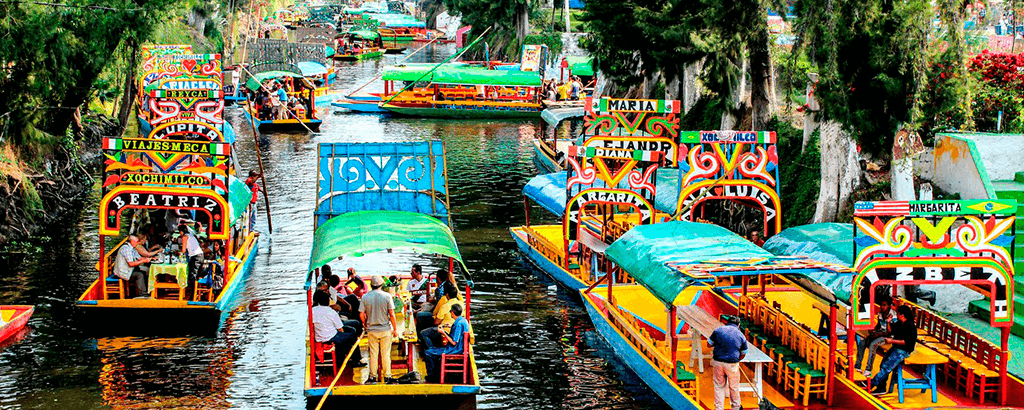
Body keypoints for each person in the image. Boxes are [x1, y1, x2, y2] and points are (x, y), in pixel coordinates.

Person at [870, 305, 917, 394]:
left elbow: (906, 342)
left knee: (887, 367)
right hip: (896, 347)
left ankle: (872, 383)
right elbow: (891, 331)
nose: (897, 315)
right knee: (883, 364)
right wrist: (888, 322)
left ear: (902, 315)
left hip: (904, 350)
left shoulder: (910, 326)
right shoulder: (900, 323)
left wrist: (892, 341)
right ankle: (881, 387)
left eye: (898, 314)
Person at [312, 290, 365, 369]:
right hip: (330, 337)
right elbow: (340, 329)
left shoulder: (312, 310)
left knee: (350, 330)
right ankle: (356, 360)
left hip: (320, 336)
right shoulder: (330, 312)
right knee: (352, 333)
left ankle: (352, 356)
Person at [360, 276, 398, 384]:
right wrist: (395, 330)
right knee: (385, 354)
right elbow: (392, 314)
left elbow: (361, 314)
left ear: (371, 285)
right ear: (381, 285)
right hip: (385, 329)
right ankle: (387, 376)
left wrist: (365, 324)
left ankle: (372, 376)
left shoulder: (365, 297)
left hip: (372, 330)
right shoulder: (387, 296)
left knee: (373, 354)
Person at [708, 315, 747, 410]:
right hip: (732, 364)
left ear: (726, 322)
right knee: (734, 386)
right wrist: (737, 360)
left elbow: (709, 344)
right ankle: (736, 407)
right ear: (738, 325)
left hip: (718, 362)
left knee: (719, 386)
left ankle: (719, 408)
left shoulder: (718, 330)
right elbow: (744, 353)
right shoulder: (741, 335)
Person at [424, 303, 469, 383]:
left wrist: (443, 332)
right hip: (460, 347)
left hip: (454, 349)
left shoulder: (458, 324)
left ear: (452, 312)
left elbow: (454, 342)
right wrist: (449, 326)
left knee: (428, 352)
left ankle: (432, 377)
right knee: (433, 351)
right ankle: (436, 374)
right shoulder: (463, 320)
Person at [855, 295, 897, 376]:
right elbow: (879, 326)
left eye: (884, 305)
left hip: (890, 337)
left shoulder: (893, 316)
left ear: (889, 306)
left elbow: (891, 332)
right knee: (863, 342)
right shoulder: (881, 313)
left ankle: (868, 369)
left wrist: (878, 334)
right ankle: (858, 366)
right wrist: (873, 330)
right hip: (881, 333)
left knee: (873, 345)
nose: (882, 307)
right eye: (881, 305)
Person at [178, 224, 204, 292]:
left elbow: (183, 250)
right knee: (197, 275)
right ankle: (196, 293)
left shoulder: (185, 237)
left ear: (181, 231)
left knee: (193, 276)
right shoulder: (191, 235)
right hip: (200, 255)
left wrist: (178, 252)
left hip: (196, 256)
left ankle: (193, 294)